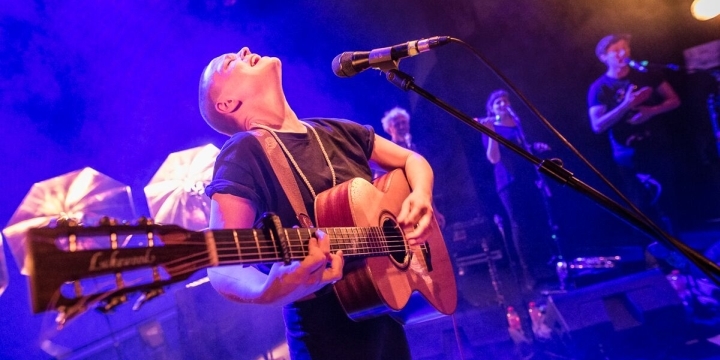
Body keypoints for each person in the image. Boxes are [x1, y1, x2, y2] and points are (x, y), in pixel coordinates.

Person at [198, 47, 437, 359]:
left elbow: (411, 160)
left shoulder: (336, 130)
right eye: (229, 62)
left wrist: (421, 195)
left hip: (384, 313)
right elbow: (222, 262)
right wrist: (268, 291)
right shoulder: (243, 152)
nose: (243, 50)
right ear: (229, 103)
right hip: (326, 336)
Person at [587, 34, 681, 232]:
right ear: (604, 57)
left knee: (669, 199)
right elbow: (597, 126)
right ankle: (653, 257)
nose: (623, 54)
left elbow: (674, 100)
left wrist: (650, 111)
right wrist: (626, 105)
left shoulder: (647, 75)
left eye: (625, 49)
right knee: (641, 205)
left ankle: (680, 253)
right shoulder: (599, 88)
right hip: (627, 155)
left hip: (657, 145)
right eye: (616, 51)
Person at [476, 90, 552, 291]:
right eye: (497, 102)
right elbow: (493, 158)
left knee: (537, 219)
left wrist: (536, 147)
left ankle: (545, 263)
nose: (502, 104)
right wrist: (491, 132)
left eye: (505, 100)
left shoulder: (518, 125)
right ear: (492, 108)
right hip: (507, 183)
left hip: (528, 179)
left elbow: (523, 149)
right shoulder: (491, 128)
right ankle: (528, 272)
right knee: (519, 224)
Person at [380, 106, 446, 228]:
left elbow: (423, 187)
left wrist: (435, 212)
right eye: (397, 124)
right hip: (398, 208)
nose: (401, 127)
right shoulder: (387, 152)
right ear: (389, 129)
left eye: (403, 123)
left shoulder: (414, 149)